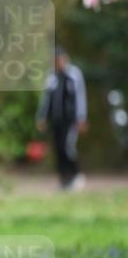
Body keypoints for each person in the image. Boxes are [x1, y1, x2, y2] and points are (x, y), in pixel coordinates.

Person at [36, 46, 88, 190]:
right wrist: (42, 117)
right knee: (58, 149)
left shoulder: (74, 74)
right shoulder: (51, 77)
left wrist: (81, 117)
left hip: (70, 120)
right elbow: (46, 99)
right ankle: (64, 180)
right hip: (56, 120)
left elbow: (80, 96)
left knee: (68, 147)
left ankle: (77, 176)